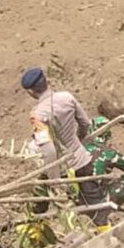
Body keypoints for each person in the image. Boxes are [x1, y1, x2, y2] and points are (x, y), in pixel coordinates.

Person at [22, 67, 112, 230]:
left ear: (30, 92)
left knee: (41, 201)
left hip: (62, 169)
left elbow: (49, 150)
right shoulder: (67, 97)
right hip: (81, 159)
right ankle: (106, 232)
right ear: (46, 81)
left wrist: (54, 181)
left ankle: (34, 230)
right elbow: (85, 123)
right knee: (94, 203)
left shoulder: (38, 115)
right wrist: (78, 139)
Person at [84, 116, 124, 208]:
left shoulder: (81, 147)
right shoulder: (108, 152)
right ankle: (109, 206)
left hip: (79, 196)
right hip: (96, 199)